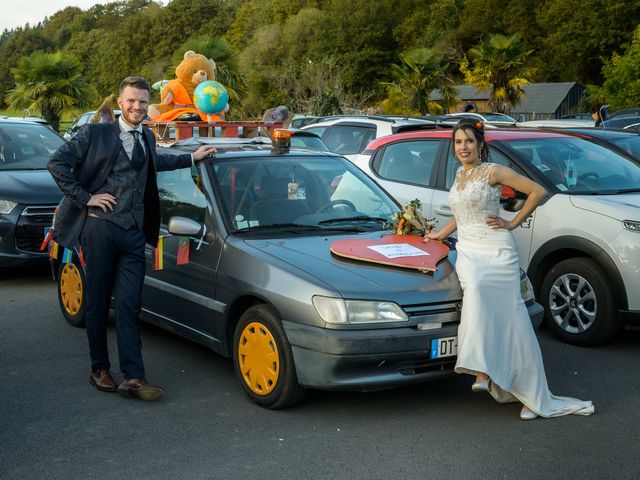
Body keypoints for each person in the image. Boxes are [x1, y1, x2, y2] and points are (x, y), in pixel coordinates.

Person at [48, 76, 217, 401]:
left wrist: (191, 158)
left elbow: (156, 164)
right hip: (100, 229)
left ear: (147, 105)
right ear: (120, 103)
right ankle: (100, 370)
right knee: (97, 302)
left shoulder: (148, 139)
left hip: (134, 233)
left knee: (129, 305)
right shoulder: (95, 133)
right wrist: (86, 197)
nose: (137, 106)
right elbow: (56, 163)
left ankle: (134, 377)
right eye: (131, 101)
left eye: (142, 101)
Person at [424, 119, 594, 420]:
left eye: (469, 141)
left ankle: (528, 393)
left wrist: (512, 222)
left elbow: (537, 191)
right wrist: (439, 233)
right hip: (468, 249)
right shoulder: (460, 175)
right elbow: (461, 215)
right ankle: (484, 370)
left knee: (514, 322)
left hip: (496, 249)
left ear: (480, 144)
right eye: (458, 142)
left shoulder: (494, 171)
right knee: (476, 295)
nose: (463, 147)